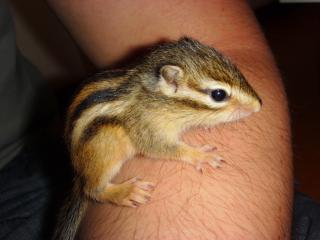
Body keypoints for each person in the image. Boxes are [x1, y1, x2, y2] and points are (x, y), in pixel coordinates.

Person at [0, 1, 319, 239]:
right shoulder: (149, 114)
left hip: (31, 149)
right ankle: (100, 189)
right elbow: (152, 143)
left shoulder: (167, 97)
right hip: (77, 152)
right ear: (172, 83)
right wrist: (192, 153)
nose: (252, 107)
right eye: (219, 97)